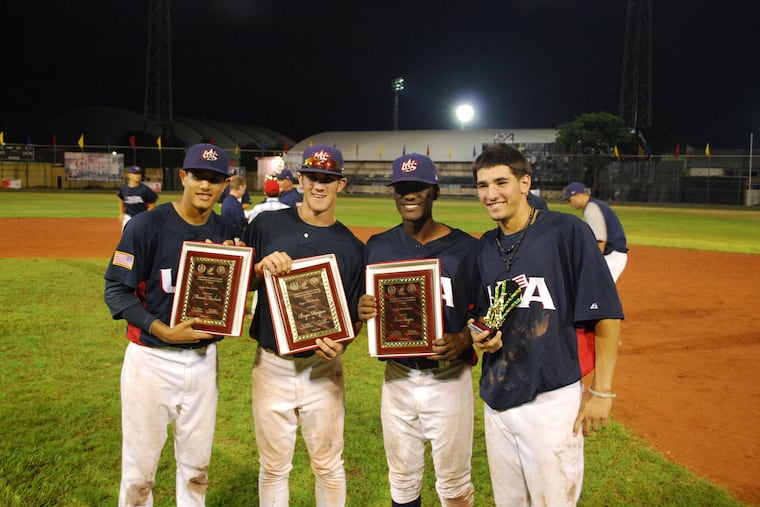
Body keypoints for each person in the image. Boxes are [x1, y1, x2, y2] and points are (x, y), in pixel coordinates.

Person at [468, 143, 623, 506]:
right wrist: (482, 337)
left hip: (551, 399)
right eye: (482, 185)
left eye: (501, 182)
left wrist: (601, 391)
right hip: (497, 395)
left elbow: (607, 313)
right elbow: (484, 315)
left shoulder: (565, 231)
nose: (491, 194)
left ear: (525, 183)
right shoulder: (487, 245)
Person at [104, 143, 235, 507]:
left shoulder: (225, 230)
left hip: (203, 360)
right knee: (139, 471)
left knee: (196, 469)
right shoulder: (145, 225)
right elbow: (116, 291)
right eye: (198, 176)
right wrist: (161, 329)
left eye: (215, 179)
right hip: (151, 360)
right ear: (183, 176)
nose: (205, 186)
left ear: (225, 184)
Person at [242, 144, 365, 506]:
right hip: (271, 365)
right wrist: (259, 268)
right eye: (313, 177)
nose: (319, 186)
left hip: (323, 368)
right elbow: (240, 284)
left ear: (340, 184)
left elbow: (354, 315)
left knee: (328, 465)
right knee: (273, 467)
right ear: (301, 179)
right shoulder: (266, 224)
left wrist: (345, 343)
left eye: (328, 179)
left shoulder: (352, 247)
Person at [357, 153, 479, 507]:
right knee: (402, 479)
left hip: (449, 380)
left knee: (455, 483)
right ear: (394, 194)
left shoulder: (467, 249)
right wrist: (363, 308)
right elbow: (364, 305)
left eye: (419, 189)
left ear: (435, 192)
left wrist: (465, 337)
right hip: (397, 378)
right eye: (402, 188)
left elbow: (487, 314)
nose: (409, 196)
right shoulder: (378, 247)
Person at [562, 182, 628, 282]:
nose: (569, 203)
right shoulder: (596, 205)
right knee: (600, 291)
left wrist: (595, 263)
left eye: (569, 199)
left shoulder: (591, 208)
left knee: (600, 290)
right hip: (613, 255)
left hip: (611, 256)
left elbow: (600, 240)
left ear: (578, 195)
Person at [117, 165, 158, 230]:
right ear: (129, 175)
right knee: (126, 236)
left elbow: (153, 203)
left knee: (140, 238)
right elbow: (121, 199)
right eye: (135, 173)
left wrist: (146, 215)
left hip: (141, 217)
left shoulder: (145, 189)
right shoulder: (123, 189)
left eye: (139, 173)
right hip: (128, 217)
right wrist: (121, 213)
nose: (138, 175)